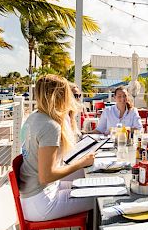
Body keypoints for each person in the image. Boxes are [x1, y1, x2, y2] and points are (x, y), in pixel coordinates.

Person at [18, 75, 95, 222]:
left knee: (88, 184)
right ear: (59, 95)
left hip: (32, 197)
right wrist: (81, 163)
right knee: (101, 198)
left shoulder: (33, 117)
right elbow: (46, 176)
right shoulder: (50, 125)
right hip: (41, 202)